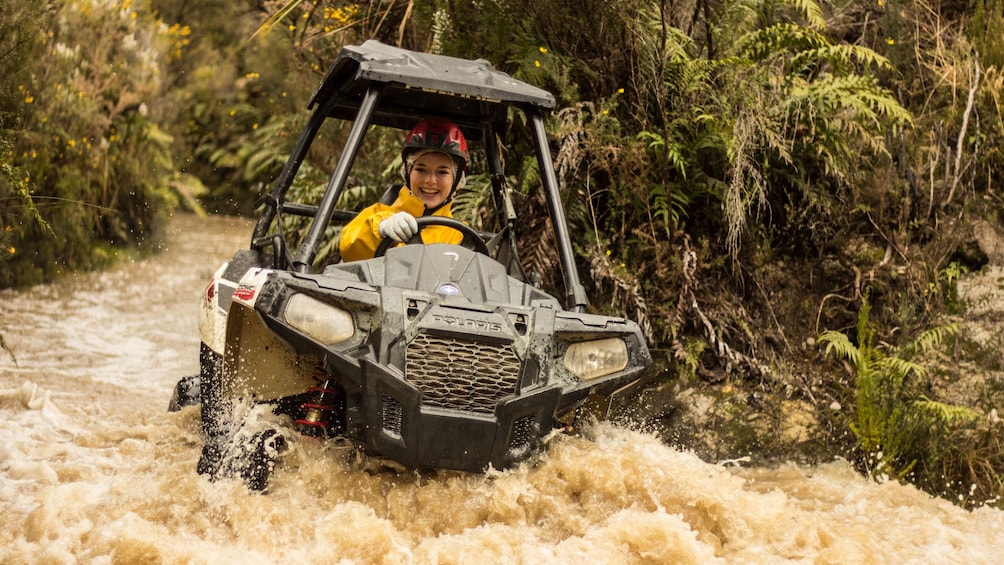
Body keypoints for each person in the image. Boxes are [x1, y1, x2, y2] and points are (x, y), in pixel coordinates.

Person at [338, 118, 469, 262]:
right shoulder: (377, 216)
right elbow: (349, 249)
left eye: (442, 172)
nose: (430, 180)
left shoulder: (461, 235)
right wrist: (380, 231)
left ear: (456, 180)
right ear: (407, 172)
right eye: (421, 169)